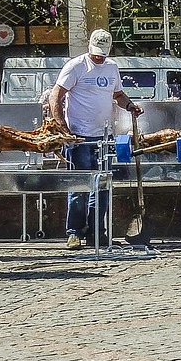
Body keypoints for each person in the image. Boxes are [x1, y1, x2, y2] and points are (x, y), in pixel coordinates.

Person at [51, 29, 141, 249]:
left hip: (103, 137)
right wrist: (62, 127)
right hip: (78, 137)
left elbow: (117, 95)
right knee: (79, 187)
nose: (99, 57)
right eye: (96, 52)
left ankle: (96, 233)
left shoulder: (111, 68)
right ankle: (74, 232)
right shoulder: (76, 66)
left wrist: (129, 105)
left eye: (103, 53)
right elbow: (56, 95)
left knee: (101, 188)